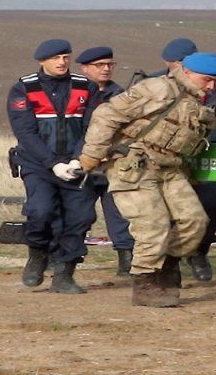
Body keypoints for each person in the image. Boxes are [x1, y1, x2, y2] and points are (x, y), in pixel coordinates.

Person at [76, 52, 216, 307]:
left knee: (195, 221)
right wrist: (91, 155)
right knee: (152, 225)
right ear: (187, 72)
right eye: (207, 80)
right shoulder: (157, 88)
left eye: (214, 81)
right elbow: (106, 115)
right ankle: (145, 283)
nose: (211, 86)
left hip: (171, 168)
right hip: (134, 165)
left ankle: (167, 267)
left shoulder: (197, 102)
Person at [6, 38, 99, 294]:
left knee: (80, 217)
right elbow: (25, 132)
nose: (62, 62)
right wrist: (52, 163)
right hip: (37, 164)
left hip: (77, 164)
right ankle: (37, 254)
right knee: (41, 211)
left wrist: (78, 158)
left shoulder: (86, 87)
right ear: (42, 61)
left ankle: (64, 273)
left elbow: (93, 127)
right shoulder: (24, 88)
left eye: (66, 57)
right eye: (56, 58)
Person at [152, 37, 216, 282]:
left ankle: (199, 252)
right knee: (163, 214)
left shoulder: (213, 84)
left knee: (214, 205)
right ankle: (167, 266)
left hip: (204, 154)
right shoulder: (153, 83)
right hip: (165, 159)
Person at [76, 45, 134, 277]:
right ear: (85, 68)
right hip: (81, 163)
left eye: (110, 65)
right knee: (77, 213)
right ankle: (67, 258)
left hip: (113, 162)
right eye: (100, 65)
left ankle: (126, 258)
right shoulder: (75, 94)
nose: (106, 69)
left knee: (119, 213)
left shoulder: (123, 95)